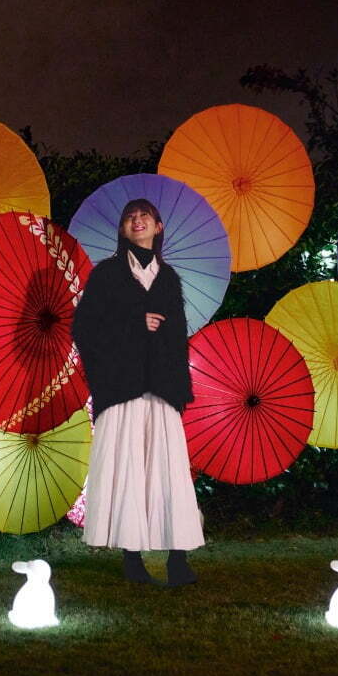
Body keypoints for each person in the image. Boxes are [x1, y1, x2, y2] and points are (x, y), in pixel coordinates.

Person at [71, 198, 204, 586]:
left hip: (161, 389)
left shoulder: (169, 278)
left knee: (169, 472)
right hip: (122, 389)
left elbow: (177, 335)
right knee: (128, 471)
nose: (137, 220)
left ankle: (178, 559)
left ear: (158, 227)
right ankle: (133, 558)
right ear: (122, 230)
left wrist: (177, 387)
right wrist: (133, 323)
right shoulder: (107, 275)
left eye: (145, 215)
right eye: (130, 216)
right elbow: (85, 329)